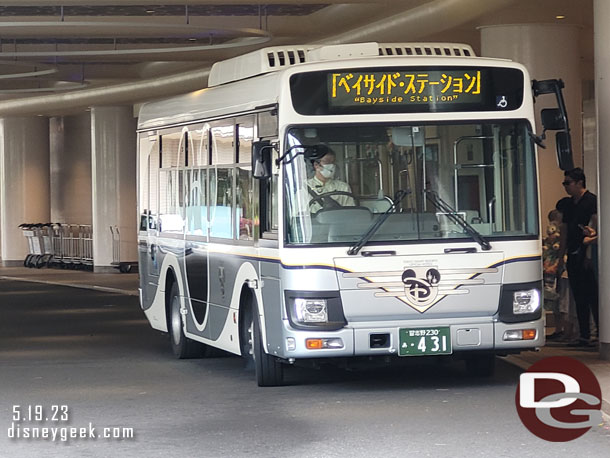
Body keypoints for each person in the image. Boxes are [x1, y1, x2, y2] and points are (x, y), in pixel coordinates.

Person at [556, 168, 599, 347]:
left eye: (568, 183)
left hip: (587, 253)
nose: (566, 187)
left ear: (579, 182)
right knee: (579, 295)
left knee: (593, 295)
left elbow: (599, 226)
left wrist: (591, 240)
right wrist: (561, 258)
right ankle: (584, 334)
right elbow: (564, 232)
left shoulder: (591, 201)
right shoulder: (569, 204)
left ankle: (599, 333)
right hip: (573, 253)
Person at [307, 146, 355, 213]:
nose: (331, 165)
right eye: (327, 162)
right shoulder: (304, 188)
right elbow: (299, 216)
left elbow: (351, 213)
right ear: (316, 165)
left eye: (333, 162)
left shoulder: (343, 187)